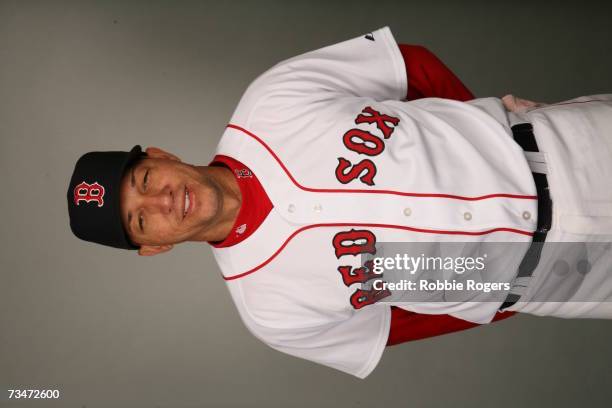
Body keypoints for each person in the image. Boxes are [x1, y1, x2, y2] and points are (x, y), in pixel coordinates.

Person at [67, 26, 612, 378]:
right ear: (152, 248)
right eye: (140, 220)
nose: (161, 200)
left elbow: (410, 65)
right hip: (566, 275)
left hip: (569, 150)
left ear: (159, 154)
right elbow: (401, 323)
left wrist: (478, 133)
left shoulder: (272, 100)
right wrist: (509, 286)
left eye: (143, 177)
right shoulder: (269, 311)